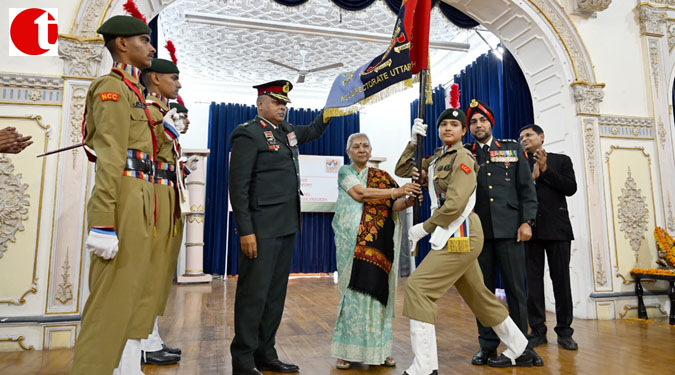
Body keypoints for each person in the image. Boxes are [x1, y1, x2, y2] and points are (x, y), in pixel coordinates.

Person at [396, 105, 534, 374]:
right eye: (443, 124)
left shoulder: (463, 158)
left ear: (462, 131)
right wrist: (413, 142)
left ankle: (424, 366)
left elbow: (456, 204)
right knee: (479, 296)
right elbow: (403, 170)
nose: (448, 128)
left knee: (417, 288)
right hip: (449, 231)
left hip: (461, 232)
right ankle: (520, 347)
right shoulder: (436, 159)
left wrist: (423, 228)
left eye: (454, 125)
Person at [70, 15, 157, 375]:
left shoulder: (134, 91)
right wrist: (103, 221)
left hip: (143, 196)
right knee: (109, 299)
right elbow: (110, 159)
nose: (150, 47)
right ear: (121, 44)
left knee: (131, 293)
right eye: (143, 40)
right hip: (123, 197)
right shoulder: (111, 88)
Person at [228, 80, 332, 375]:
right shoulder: (248, 134)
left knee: (275, 295)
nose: (282, 108)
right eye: (276, 102)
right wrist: (245, 231)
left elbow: (312, 130)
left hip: (286, 224)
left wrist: (330, 110)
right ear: (260, 104)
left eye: (284, 103)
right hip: (260, 229)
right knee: (253, 294)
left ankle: (266, 352)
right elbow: (239, 188)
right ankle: (243, 359)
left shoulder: (286, 132)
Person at [331, 133, 421, 370]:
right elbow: (360, 194)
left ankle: (381, 351)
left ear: (370, 151)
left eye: (365, 146)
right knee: (352, 297)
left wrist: (409, 198)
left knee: (378, 297)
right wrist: (397, 192)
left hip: (378, 248)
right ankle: (345, 352)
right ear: (348, 152)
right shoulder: (346, 173)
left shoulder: (382, 177)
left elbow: (395, 206)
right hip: (351, 245)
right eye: (356, 146)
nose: (361, 150)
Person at [463, 99, 541, 367]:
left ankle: (522, 347)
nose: (478, 125)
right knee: (481, 292)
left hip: (511, 231)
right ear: (468, 127)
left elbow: (526, 190)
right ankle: (487, 346)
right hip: (478, 234)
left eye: (482, 120)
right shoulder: (464, 153)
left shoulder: (511, 149)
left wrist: (527, 222)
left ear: (490, 123)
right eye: (473, 122)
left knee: (516, 291)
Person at [130, 58, 184, 368]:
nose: (178, 84)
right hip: (153, 196)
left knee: (159, 270)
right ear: (155, 80)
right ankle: (144, 342)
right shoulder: (148, 113)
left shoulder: (160, 113)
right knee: (149, 270)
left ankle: (151, 337)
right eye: (173, 78)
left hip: (166, 193)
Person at [519, 124, 578, 350]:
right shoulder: (519, 165)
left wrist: (545, 170)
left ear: (541, 137)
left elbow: (570, 188)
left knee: (561, 280)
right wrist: (532, 177)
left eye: (529, 135)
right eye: (521, 137)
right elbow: (518, 194)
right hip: (530, 230)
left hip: (558, 229)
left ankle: (565, 332)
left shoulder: (561, 160)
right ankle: (537, 331)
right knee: (533, 283)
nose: (524, 139)